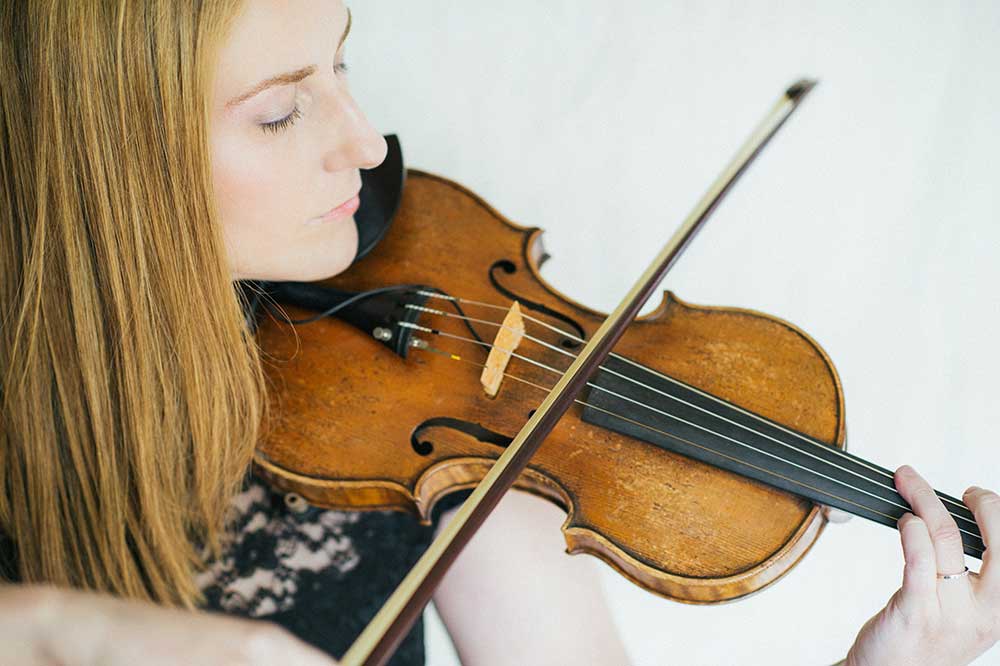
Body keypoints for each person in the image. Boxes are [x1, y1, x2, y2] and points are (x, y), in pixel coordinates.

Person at [0, 2, 996, 665]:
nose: (368, 143)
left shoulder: (444, 421)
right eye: (279, 113)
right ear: (111, 154)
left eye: (341, 65)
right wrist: (53, 628)